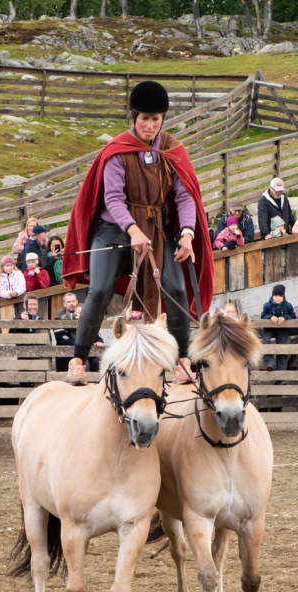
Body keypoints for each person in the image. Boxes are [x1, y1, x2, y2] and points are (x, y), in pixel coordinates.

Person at [62, 80, 213, 386]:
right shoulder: (118, 150)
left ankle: (182, 360)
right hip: (115, 229)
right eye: (144, 118)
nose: (149, 125)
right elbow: (112, 199)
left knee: (177, 288)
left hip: (159, 228)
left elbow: (186, 197)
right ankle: (78, 358)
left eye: (155, 119)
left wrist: (187, 233)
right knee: (101, 290)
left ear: (162, 120)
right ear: (134, 118)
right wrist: (132, 229)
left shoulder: (173, 151)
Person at [261, 284, 297, 372]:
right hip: (269, 329)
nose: (278, 298)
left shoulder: (288, 305)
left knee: (282, 349)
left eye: (280, 296)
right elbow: (263, 316)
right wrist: (270, 317)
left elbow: (293, 316)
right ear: (272, 296)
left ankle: (281, 377)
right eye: (276, 296)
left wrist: (284, 317)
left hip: (282, 330)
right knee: (265, 341)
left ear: (283, 296)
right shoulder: (267, 305)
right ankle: (270, 363)